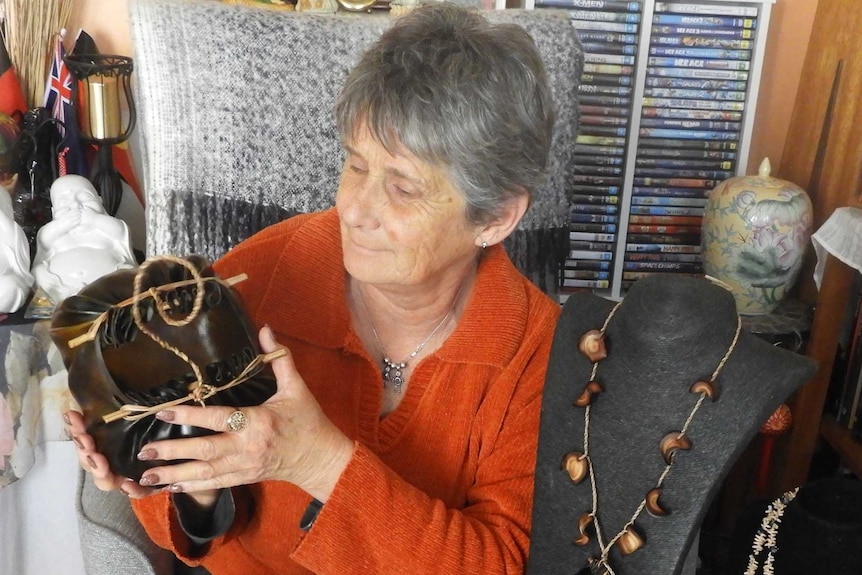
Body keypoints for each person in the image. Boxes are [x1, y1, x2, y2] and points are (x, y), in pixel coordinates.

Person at [65, 4, 561, 574]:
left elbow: (504, 565)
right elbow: (198, 526)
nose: (353, 209)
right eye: (354, 165)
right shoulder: (262, 278)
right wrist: (172, 468)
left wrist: (320, 462)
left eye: (402, 188)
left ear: (496, 215)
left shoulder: (538, 358)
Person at [31, 174, 136, 304]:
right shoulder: (54, 231)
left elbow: (120, 231)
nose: (76, 204)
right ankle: (65, 300)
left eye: (86, 197)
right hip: (60, 290)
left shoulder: (106, 226)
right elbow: (44, 240)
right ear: (54, 211)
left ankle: (103, 298)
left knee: (127, 273)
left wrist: (95, 220)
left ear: (99, 200)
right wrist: (61, 225)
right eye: (63, 202)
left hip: (108, 287)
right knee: (38, 273)